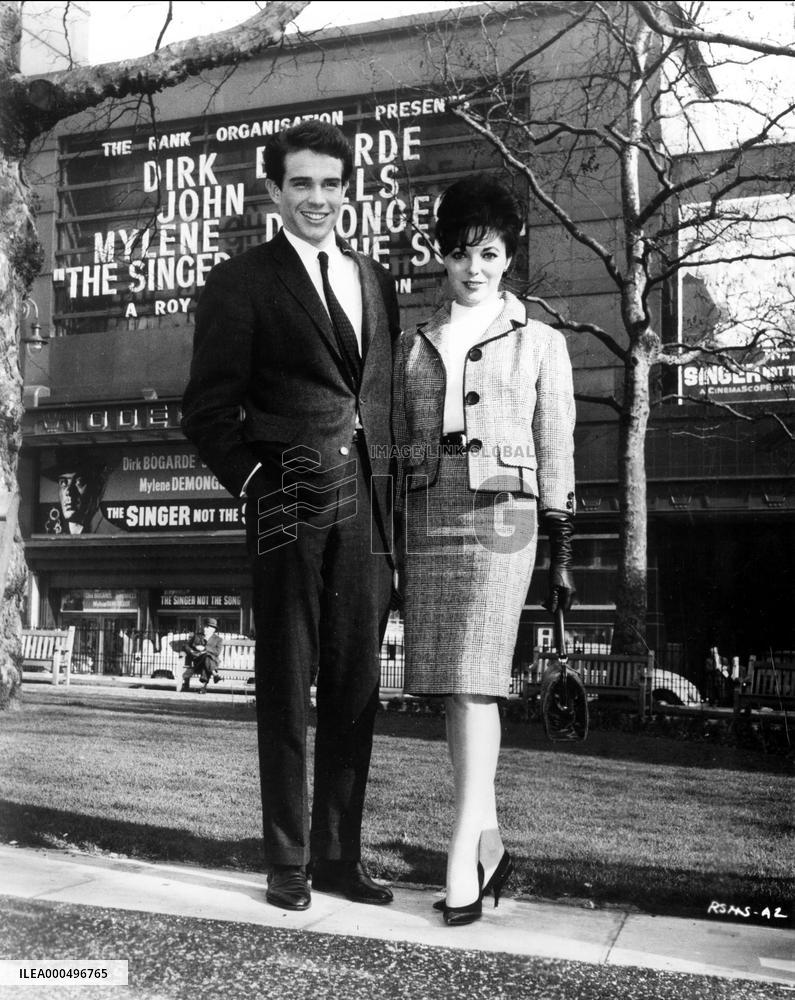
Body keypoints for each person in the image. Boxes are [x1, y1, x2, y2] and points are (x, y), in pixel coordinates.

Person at [181, 121, 400, 911]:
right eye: (301, 183)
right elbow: (206, 413)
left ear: (348, 189)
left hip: (366, 515)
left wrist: (391, 517)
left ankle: (341, 856)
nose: (318, 198)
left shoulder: (376, 280)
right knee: (284, 683)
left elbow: (376, 403)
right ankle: (288, 860)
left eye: (331, 183)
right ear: (273, 190)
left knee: (355, 686)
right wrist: (256, 489)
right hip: (287, 506)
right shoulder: (240, 283)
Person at [392, 175, 577, 926]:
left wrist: (560, 545)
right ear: (441, 257)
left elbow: (555, 445)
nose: (475, 267)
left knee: (474, 681)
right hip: (427, 516)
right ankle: (492, 846)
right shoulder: (411, 345)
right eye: (461, 253)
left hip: (505, 519)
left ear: (510, 256)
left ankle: (460, 856)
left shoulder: (542, 341)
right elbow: (396, 439)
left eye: (490, 252)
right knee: (450, 687)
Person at [42, 449, 121, 535]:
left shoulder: (116, 536)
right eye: (63, 483)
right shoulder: (55, 535)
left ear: (97, 488)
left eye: (79, 482)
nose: (69, 492)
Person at [181, 617, 224, 693]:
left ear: (213, 629)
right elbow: (186, 646)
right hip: (198, 661)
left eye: (208, 627)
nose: (205, 628)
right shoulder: (197, 636)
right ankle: (214, 674)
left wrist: (204, 648)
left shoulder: (218, 639)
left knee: (207, 658)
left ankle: (203, 688)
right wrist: (192, 651)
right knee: (206, 658)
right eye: (205, 626)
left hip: (211, 661)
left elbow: (217, 652)